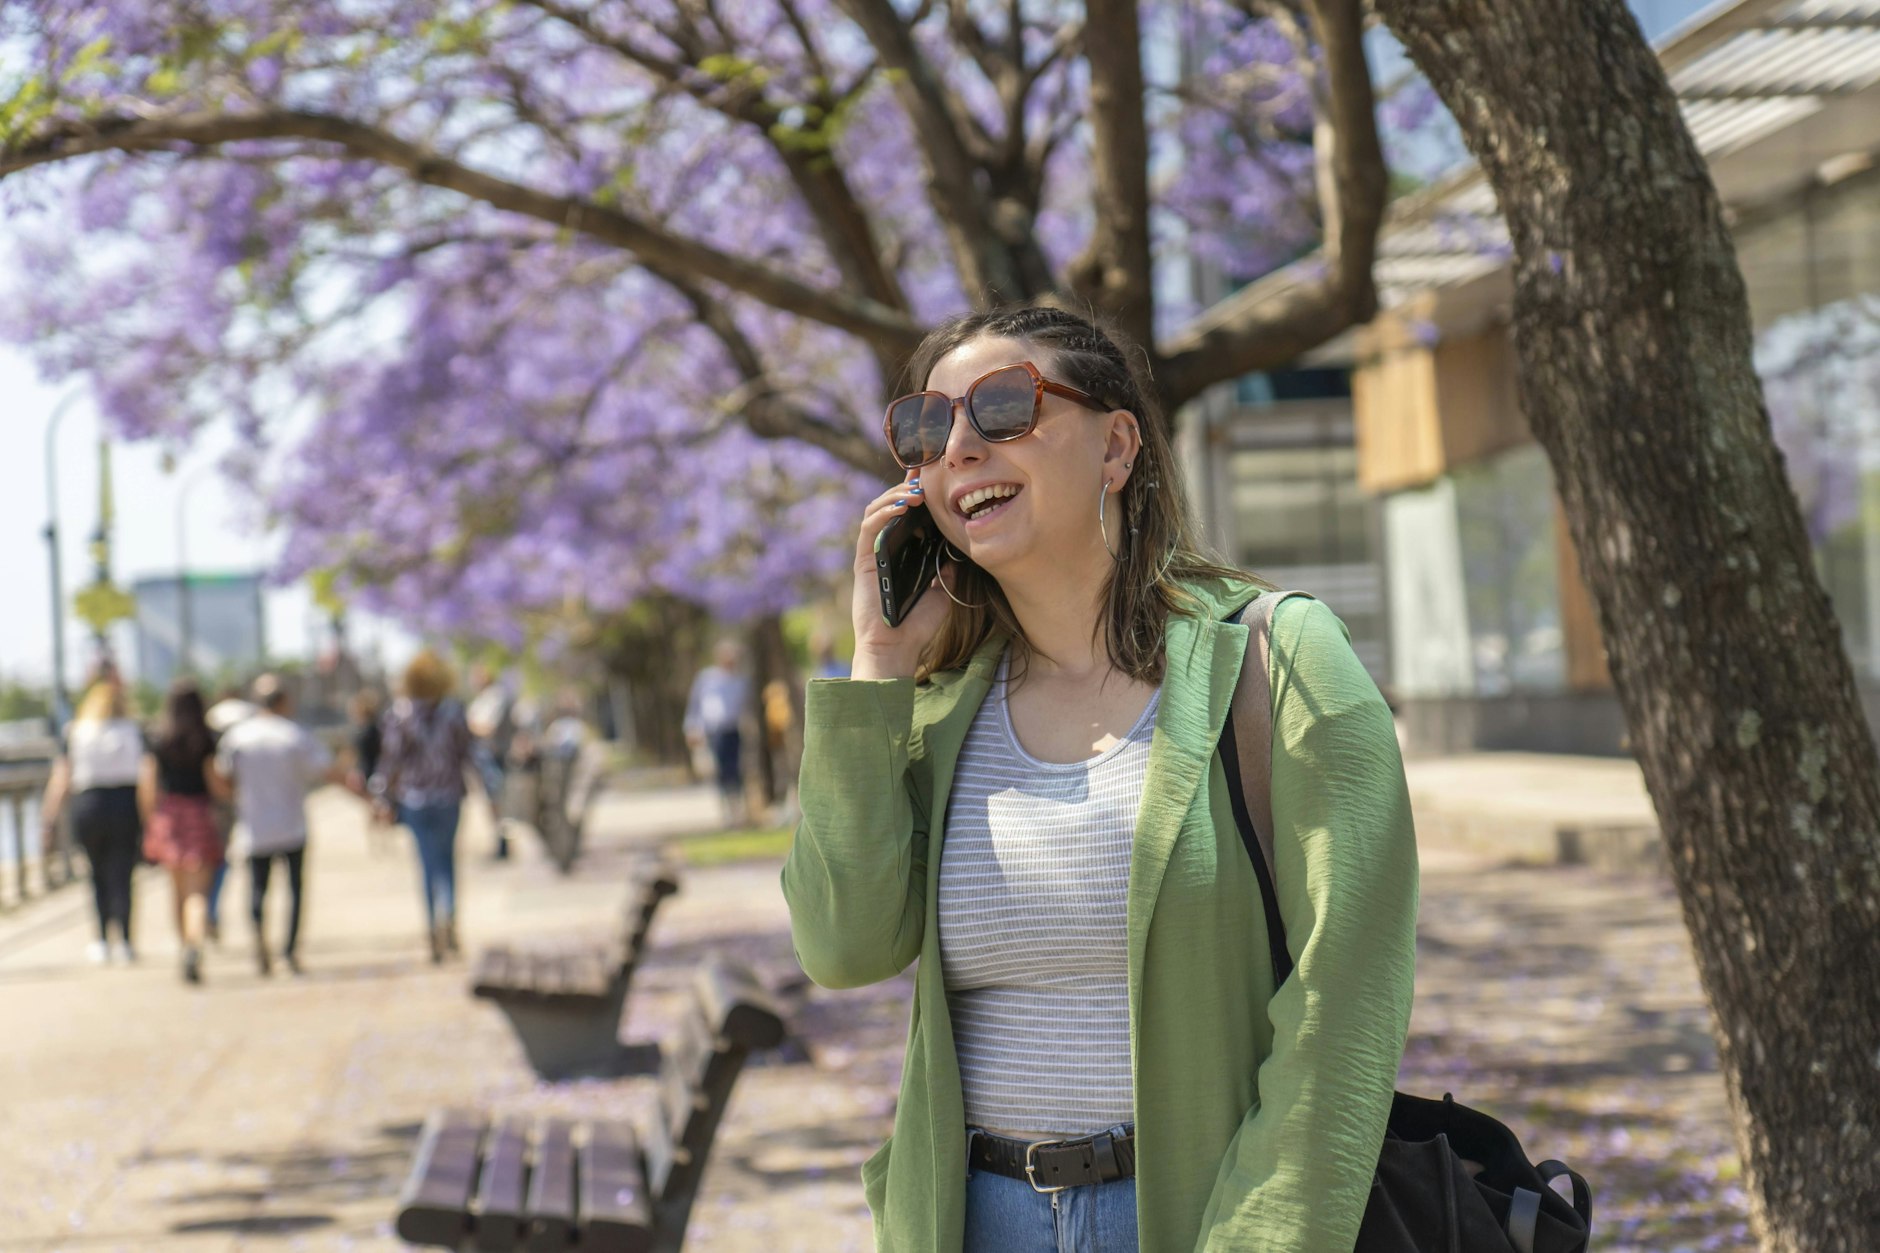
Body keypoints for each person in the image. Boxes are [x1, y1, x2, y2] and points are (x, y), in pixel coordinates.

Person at [781, 305, 1419, 1251]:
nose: (957, 447)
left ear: (1117, 447)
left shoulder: (1277, 659)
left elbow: (1346, 995)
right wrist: (877, 664)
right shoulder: (940, 710)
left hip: (1197, 1212)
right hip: (977, 1218)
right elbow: (843, 946)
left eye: (1002, 408)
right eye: (927, 426)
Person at [216, 675, 337, 976]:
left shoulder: (238, 737)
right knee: (295, 890)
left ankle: (260, 938)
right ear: (283, 701)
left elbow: (222, 774)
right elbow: (323, 769)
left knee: (258, 889)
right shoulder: (294, 735)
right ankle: (289, 950)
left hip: (254, 825)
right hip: (291, 824)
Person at [371, 650, 473, 963]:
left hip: (415, 800)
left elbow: (389, 763)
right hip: (448, 796)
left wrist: (381, 798)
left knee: (427, 863)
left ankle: (432, 923)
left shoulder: (398, 715)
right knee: (447, 860)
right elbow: (469, 754)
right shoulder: (453, 712)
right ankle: (449, 916)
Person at [38, 672, 145, 964]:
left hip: (90, 804)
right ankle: (124, 939)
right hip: (125, 803)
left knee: (96, 874)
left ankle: (100, 939)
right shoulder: (132, 730)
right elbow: (147, 776)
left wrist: (49, 817)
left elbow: (62, 778)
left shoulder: (76, 731)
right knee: (124, 874)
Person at [139, 679, 225, 984]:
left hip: (170, 817)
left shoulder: (158, 739)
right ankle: (194, 944)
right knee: (197, 893)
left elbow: (148, 787)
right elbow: (215, 783)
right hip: (199, 814)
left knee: (176, 891)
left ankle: (184, 947)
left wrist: (151, 822)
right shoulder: (207, 739)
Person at [202, 685, 258, 942]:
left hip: (206, 803)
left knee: (208, 862)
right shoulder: (250, 715)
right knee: (224, 859)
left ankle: (207, 908)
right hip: (235, 798)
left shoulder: (211, 718)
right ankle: (210, 910)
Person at [684, 640, 749, 827]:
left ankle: (738, 810)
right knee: (720, 770)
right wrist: (691, 728)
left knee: (735, 769)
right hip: (713, 731)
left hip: (733, 730)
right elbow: (695, 705)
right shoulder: (707, 678)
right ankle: (726, 811)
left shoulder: (740, 681)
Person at [464, 664, 516, 861]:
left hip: (493, 756)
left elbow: (487, 728)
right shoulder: (483, 699)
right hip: (484, 757)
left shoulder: (495, 697)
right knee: (492, 803)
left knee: (498, 802)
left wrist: (465, 726)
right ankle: (500, 841)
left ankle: (504, 843)